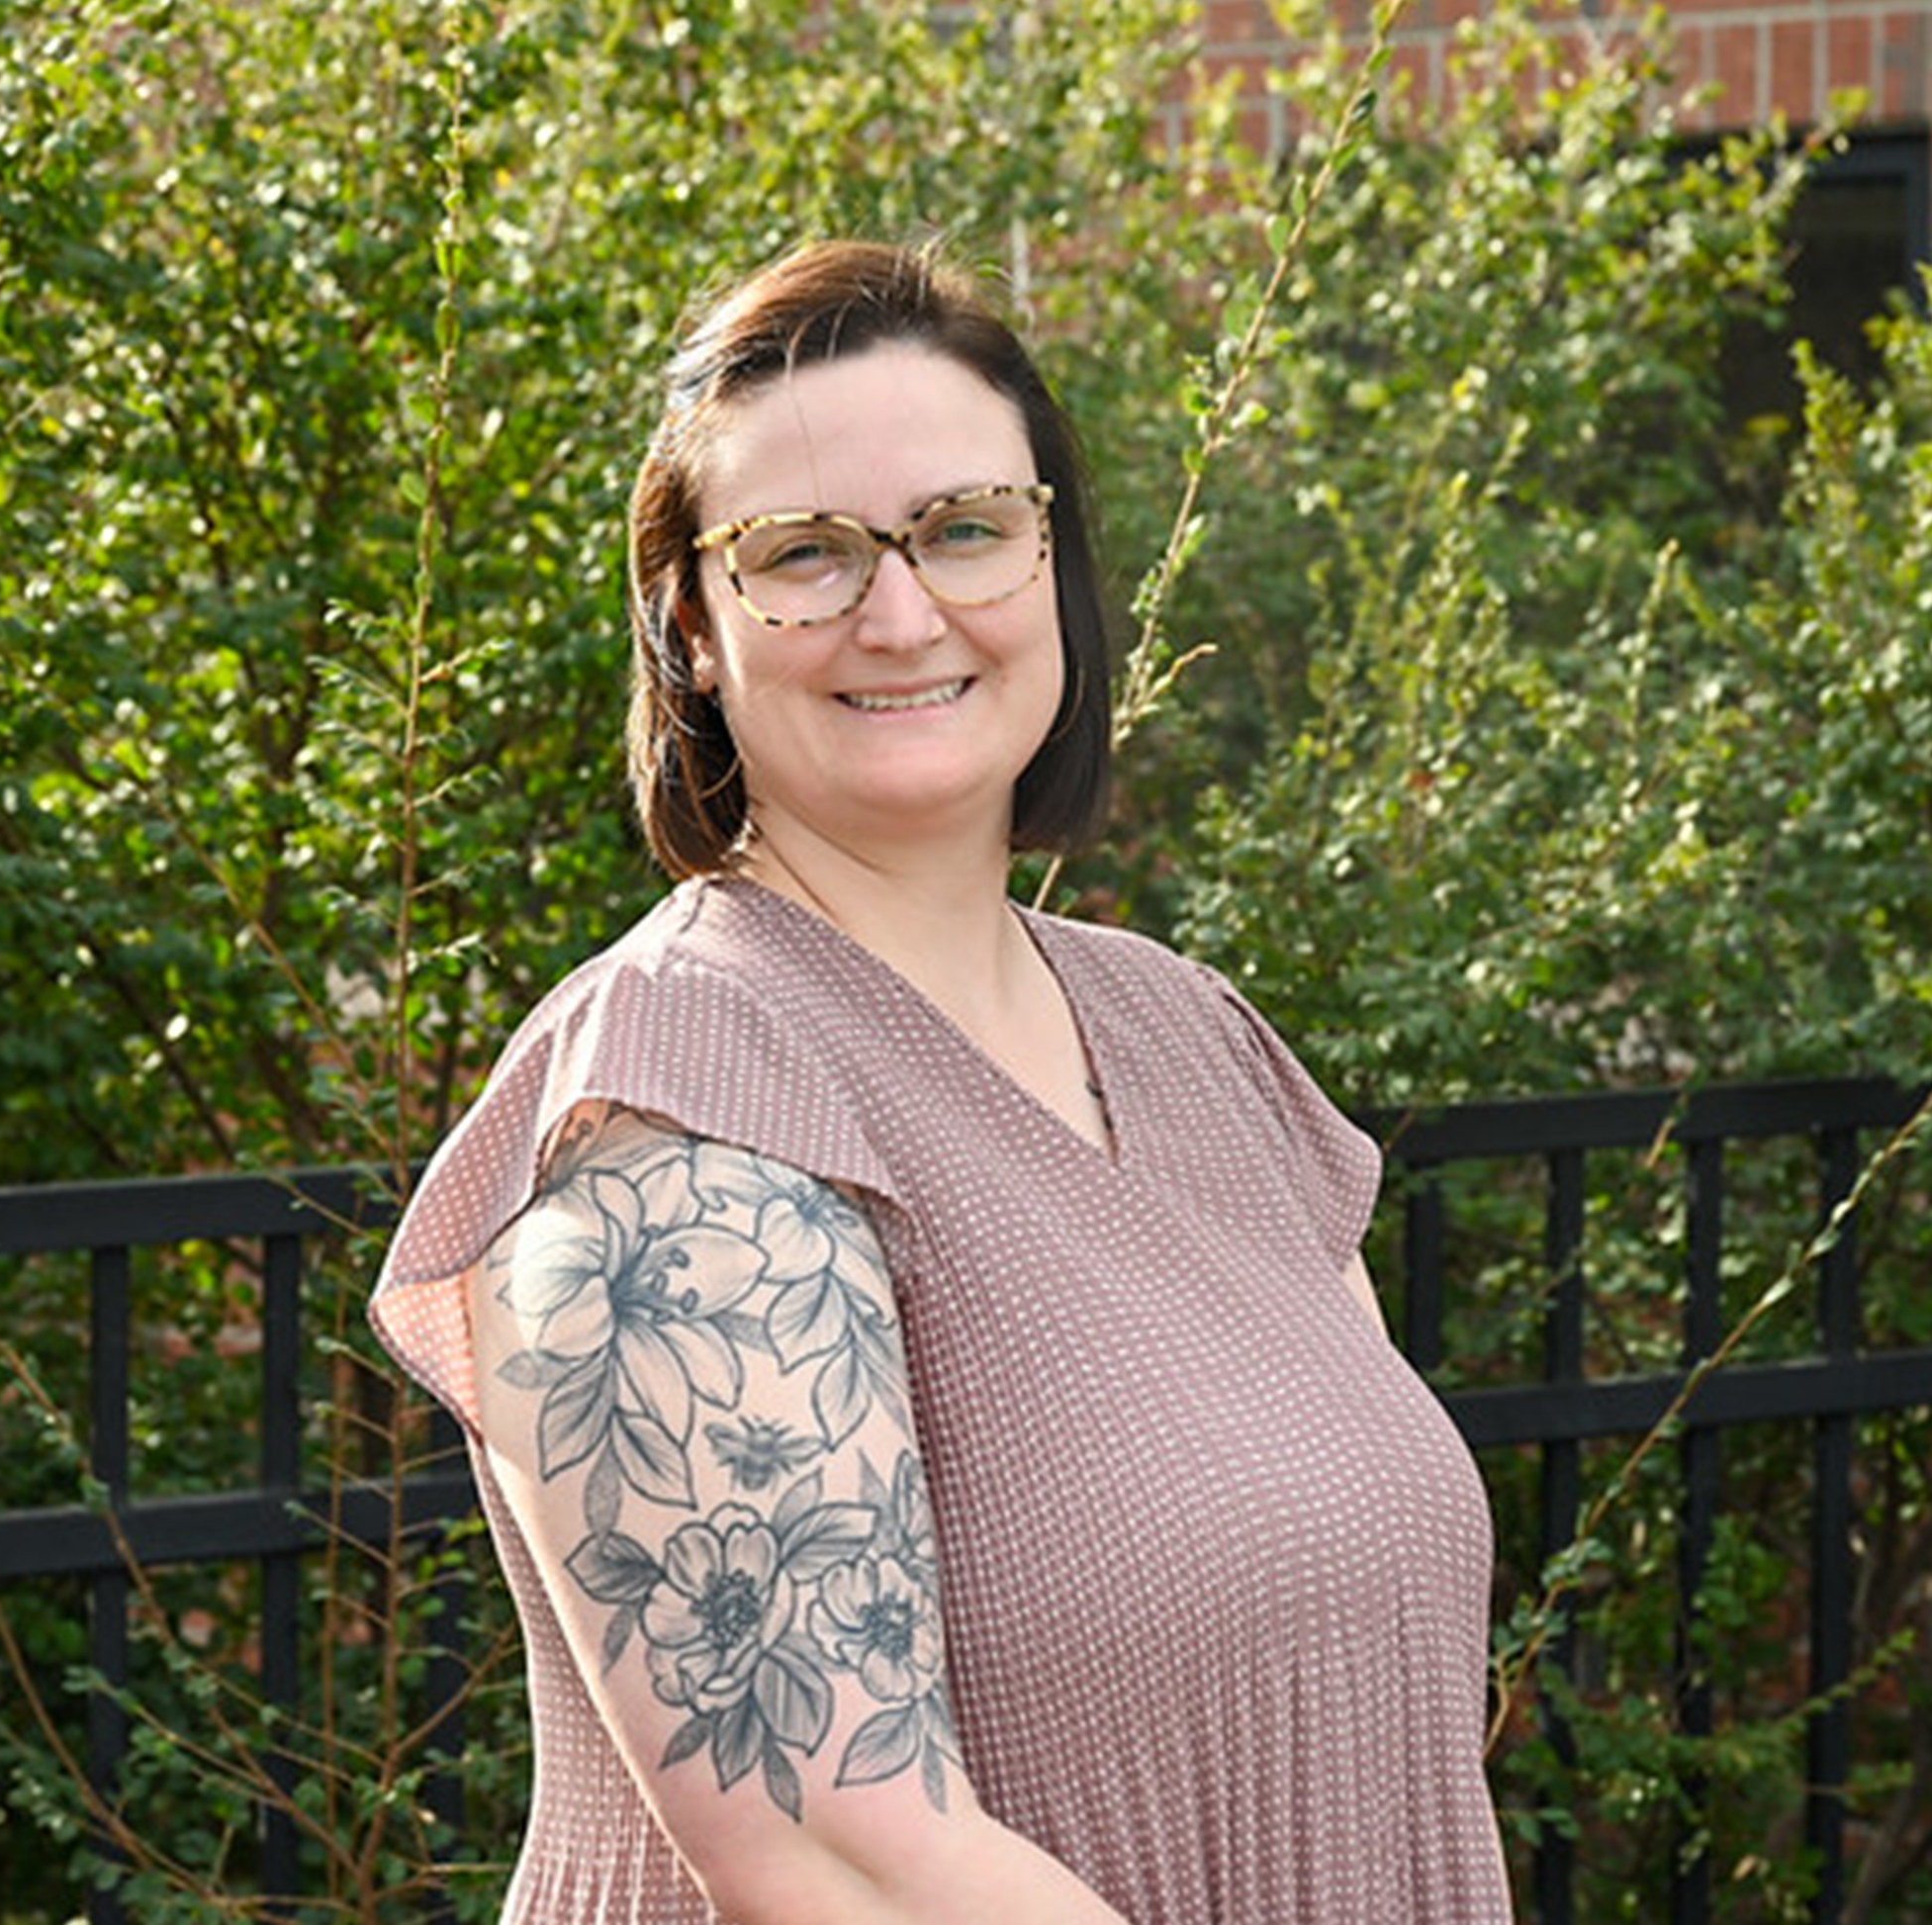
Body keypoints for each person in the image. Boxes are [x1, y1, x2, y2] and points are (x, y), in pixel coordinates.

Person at [371, 237, 1515, 1924]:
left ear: (1050, 558)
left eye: (965, 528)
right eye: (805, 557)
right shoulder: (667, 1132)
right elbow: (846, 1864)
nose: (901, 613)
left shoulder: (1193, 1039)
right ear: (690, 623)